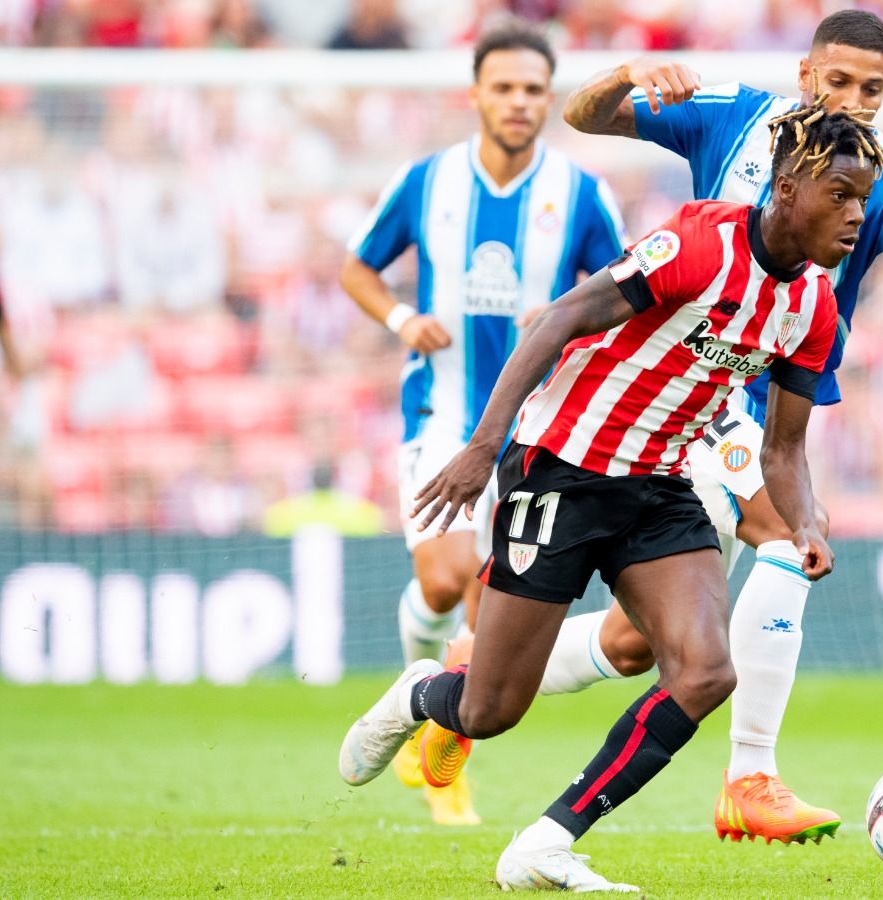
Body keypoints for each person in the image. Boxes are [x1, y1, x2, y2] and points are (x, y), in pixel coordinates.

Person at [417, 8, 883, 845]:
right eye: (839, 82)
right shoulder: (733, 113)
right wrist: (630, 80)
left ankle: (468, 689)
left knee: (640, 649)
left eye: (873, 89)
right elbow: (586, 114)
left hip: (767, 411)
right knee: (787, 539)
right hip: (686, 396)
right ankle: (751, 774)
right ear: (804, 74)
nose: (856, 101)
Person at [339, 101, 873, 893]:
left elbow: (785, 448)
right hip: (560, 466)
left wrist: (805, 521)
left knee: (703, 672)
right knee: (490, 711)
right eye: (841, 194)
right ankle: (422, 693)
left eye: (863, 198)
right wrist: (484, 449)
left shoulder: (813, 308)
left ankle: (545, 843)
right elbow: (557, 320)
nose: (857, 215)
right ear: (788, 187)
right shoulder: (698, 244)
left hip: (659, 485)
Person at [338, 18, 626, 825]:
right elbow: (357, 266)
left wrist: (570, 315)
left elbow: (630, 291)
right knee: (442, 578)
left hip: (537, 427)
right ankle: (417, 692)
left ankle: (442, 757)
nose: (518, 102)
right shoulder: (428, 182)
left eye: (534, 89)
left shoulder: (580, 194)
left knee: (483, 607)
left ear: (549, 99)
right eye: (503, 87)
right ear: (475, 95)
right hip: (441, 412)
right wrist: (401, 319)